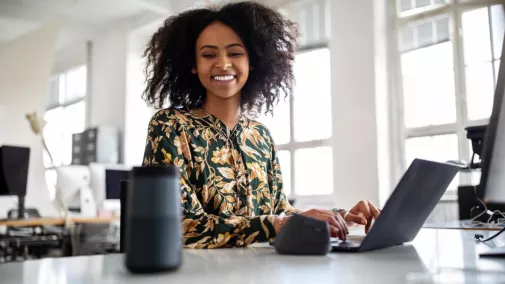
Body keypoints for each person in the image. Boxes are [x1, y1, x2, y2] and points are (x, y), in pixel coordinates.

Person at [141, 1, 380, 249]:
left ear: (252, 61)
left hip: (261, 271)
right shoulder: (170, 126)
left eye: (235, 53)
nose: (223, 64)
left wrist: (340, 217)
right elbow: (178, 225)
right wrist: (276, 224)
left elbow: (280, 211)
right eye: (209, 54)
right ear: (193, 64)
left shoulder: (260, 136)